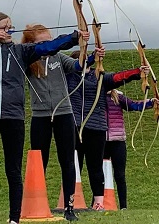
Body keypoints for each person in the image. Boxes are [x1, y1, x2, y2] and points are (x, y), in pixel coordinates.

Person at [0, 12, 89, 224]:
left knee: (13, 170)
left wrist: (74, 37)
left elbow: (48, 47)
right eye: (5, 27)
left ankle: (14, 218)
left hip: (13, 118)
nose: (10, 31)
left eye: (11, 27)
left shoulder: (20, 51)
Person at [21, 24, 104, 221]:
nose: (48, 45)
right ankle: (35, 204)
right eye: (43, 42)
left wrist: (92, 55)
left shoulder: (58, 57)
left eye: (49, 41)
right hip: (40, 116)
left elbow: (77, 66)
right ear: (32, 44)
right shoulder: (27, 58)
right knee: (39, 161)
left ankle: (69, 207)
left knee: (67, 161)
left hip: (64, 113)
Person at [66, 51, 150, 211]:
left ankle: (99, 203)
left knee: (95, 166)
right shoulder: (69, 76)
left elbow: (118, 77)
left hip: (96, 127)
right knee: (72, 165)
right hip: (75, 126)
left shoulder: (100, 78)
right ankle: (69, 203)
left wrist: (138, 72)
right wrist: (91, 55)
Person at [104, 89, 159, 210]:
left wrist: (151, 102)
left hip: (118, 140)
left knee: (120, 175)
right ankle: (97, 203)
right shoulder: (94, 95)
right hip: (100, 141)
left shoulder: (118, 97)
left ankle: (123, 207)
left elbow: (133, 105)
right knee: (99, 174)